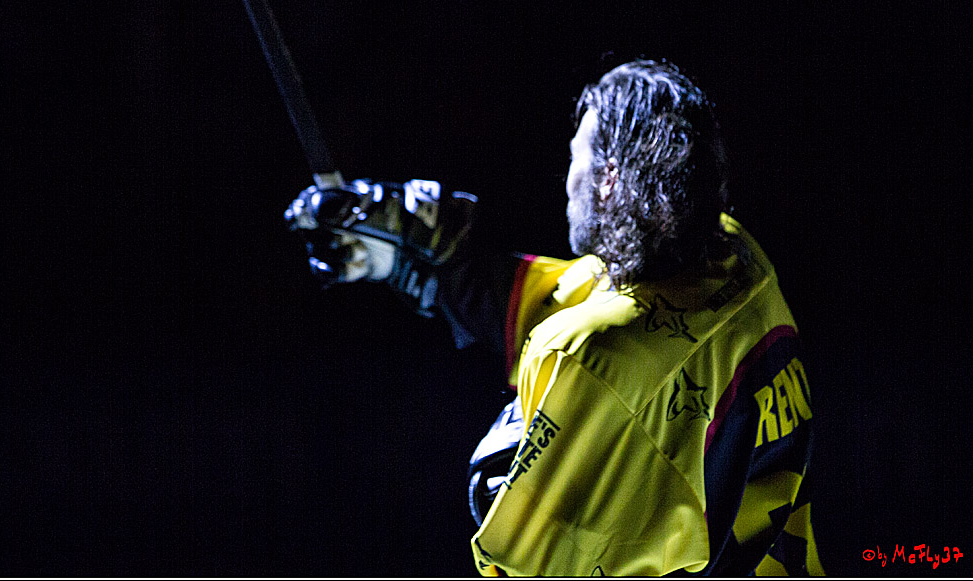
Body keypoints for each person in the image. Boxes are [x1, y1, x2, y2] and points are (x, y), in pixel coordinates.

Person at [285, 59, 824, 576]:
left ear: (609, 179)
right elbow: (573, 297)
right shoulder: (733, 255)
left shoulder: (591, 360)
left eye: (576, 158)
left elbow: (526, 564)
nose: (567, 180)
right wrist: (410, 255)